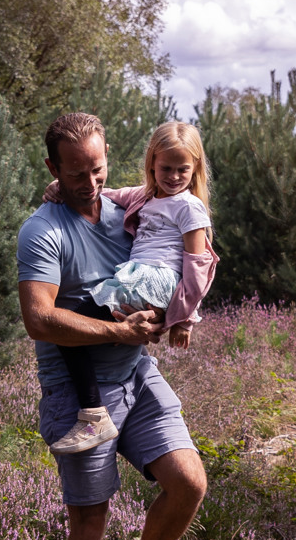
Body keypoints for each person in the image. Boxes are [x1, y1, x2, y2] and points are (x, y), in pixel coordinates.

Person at [16, 112, 209, 540]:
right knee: (91, 525)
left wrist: (167, 319)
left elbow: (179, 249)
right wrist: (118, 329)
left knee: (189, 482)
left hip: (137, 376)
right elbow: (39, 318)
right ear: (53, 168)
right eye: (74, 173)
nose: (89, 183)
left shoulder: (128, 209)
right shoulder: (43, 231)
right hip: (80, 395)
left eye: (97, 169)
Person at [48, 121, 217, 455]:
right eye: (165, 168)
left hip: (152, 281)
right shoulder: (146, 196)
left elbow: (198, 268)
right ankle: (99, 409)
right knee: (75, 328)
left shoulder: (189, 206)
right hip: (137, 278)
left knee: (67, 327)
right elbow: (106, 194)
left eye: (182, 169)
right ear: (152, 163)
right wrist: (59, 186)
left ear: (195, 166)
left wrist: (183, 319)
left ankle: (94, 415)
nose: (173, 176)